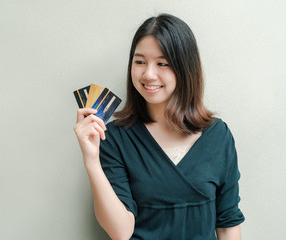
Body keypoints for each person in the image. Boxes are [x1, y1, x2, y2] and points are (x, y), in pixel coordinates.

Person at [73, 13, 245, 240]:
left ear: (185, 68)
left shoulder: (218, 136)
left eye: (162, 63)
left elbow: (228, 223)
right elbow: (121, 233)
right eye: (140, 62)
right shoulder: (114, 137)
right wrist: (91, 161)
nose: (148, 74)